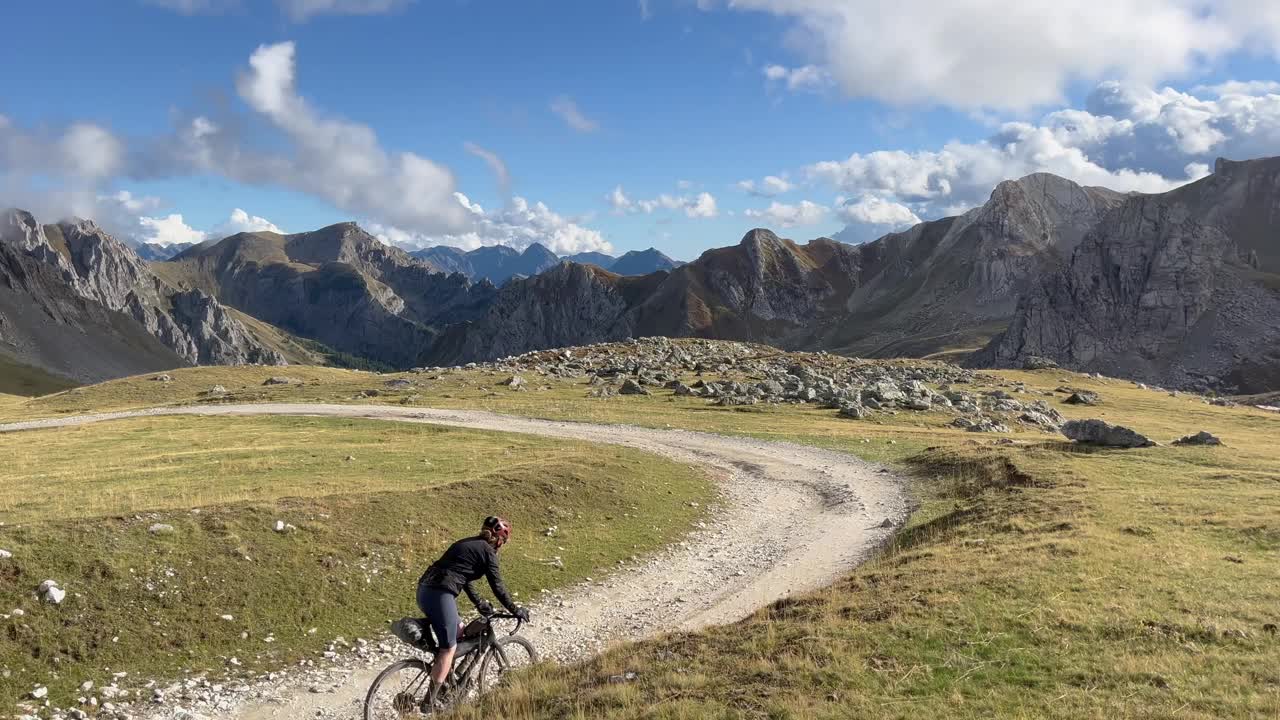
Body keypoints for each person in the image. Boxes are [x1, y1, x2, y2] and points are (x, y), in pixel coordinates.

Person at [416, 515, 529, 710]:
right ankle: (429, 703)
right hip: (439, 593)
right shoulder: (487, 551)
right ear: (500, 540)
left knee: (459, 633)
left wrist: (478, 603)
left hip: (426, 590)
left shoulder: (470, 543)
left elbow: (464, 577)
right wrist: (515, 609)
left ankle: (447, 683)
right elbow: (498, 586)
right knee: (448, 648)